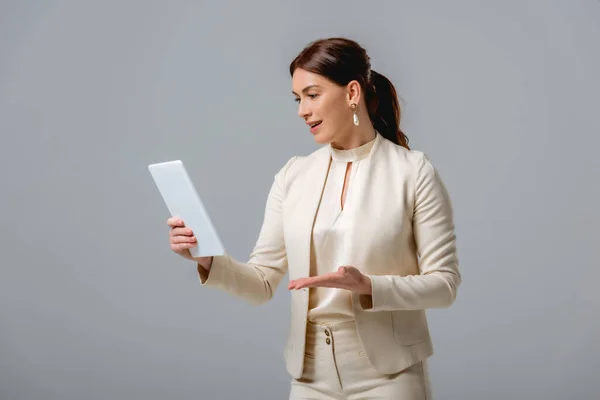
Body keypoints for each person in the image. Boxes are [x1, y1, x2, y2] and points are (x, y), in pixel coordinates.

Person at [167, 37, 461, 399]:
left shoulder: (413, 172)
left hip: (390, 376)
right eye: (297, 98)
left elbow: (444, 285)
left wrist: (370, 285)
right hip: (310, 379)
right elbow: (261, 282)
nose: (301, 110)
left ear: (352, 92)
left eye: (312, 94)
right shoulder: (293, 176)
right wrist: (209, 260)